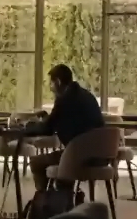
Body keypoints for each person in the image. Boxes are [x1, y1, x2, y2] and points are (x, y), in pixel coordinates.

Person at [26, 64, 105, 193]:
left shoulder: (64, 99)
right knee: (65, 155)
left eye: (51, 84)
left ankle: (47, 201)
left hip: (80, 156)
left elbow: (47, 129)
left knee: (36, 162)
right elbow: (69, 120)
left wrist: (26, 127)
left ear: (57, 82)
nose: (50, 88)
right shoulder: (87, 95)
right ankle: (64, 194)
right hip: (102, 155)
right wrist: (48, 118)